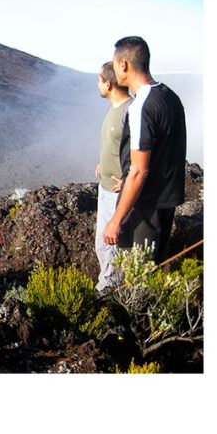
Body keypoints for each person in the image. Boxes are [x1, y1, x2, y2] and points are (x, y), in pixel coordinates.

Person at [102, 36, 187, 265]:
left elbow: (140, 171)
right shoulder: (170, 96)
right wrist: (128, 179)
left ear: (124, 64)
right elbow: (166, 151)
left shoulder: (141, 106)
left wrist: (116, 220)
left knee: (138, 274)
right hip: (166, 201)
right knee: (155, 265)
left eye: (115, 62)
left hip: (146, 207)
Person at [94, 61, 131, 290]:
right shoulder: (115, 108)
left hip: (117, 193)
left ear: (108, 84)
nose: (97, 84)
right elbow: (119, 145)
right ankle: (106, 282)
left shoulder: (129, 111)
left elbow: (144, 150)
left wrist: (128, 179)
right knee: (102, 242)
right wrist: (104, 162)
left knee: (110, 242)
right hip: (105, 187)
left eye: (99, 80)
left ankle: (109, 289)